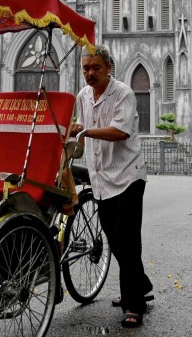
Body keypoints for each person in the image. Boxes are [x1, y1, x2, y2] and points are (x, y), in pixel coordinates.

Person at [69, 45, 152, 329]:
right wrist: (72, 130)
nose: (90, 74)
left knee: (127, 242)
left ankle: (134, 305)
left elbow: (121, 131)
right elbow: (82, 124)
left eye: (96, 68)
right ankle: (141, 285)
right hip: (102, 179)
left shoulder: (123, 94)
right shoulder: (82, 96)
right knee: (114, 240)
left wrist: (85, 131)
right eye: (85, 68)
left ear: (108, 69)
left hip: (128, 176)